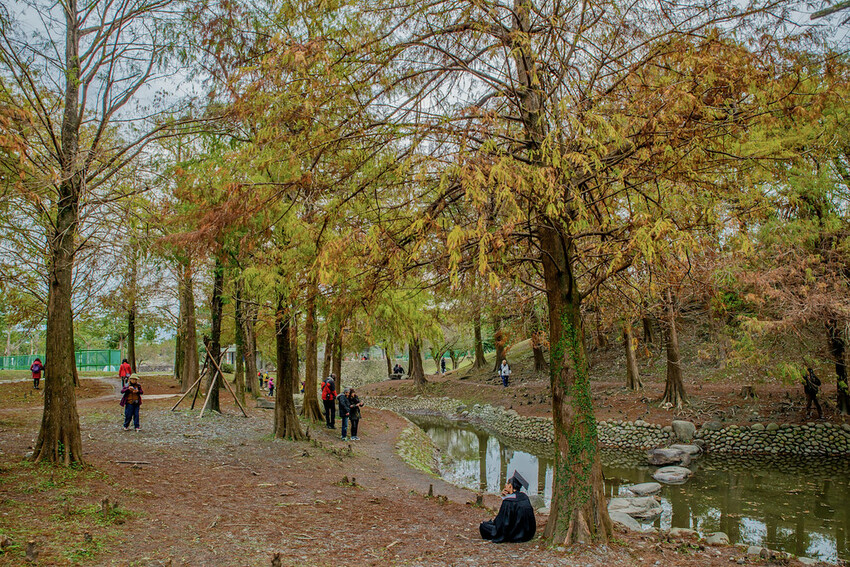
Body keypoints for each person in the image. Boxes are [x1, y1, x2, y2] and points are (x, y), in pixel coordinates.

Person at [479, 472, 536, 543]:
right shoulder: (524, 497)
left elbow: (502, 523)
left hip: (513, 534)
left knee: (483, 526)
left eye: (507, 484)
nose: (505, 486)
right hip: (527, 534)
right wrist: (505, 497)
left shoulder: (508, 502)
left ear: (511, 486)